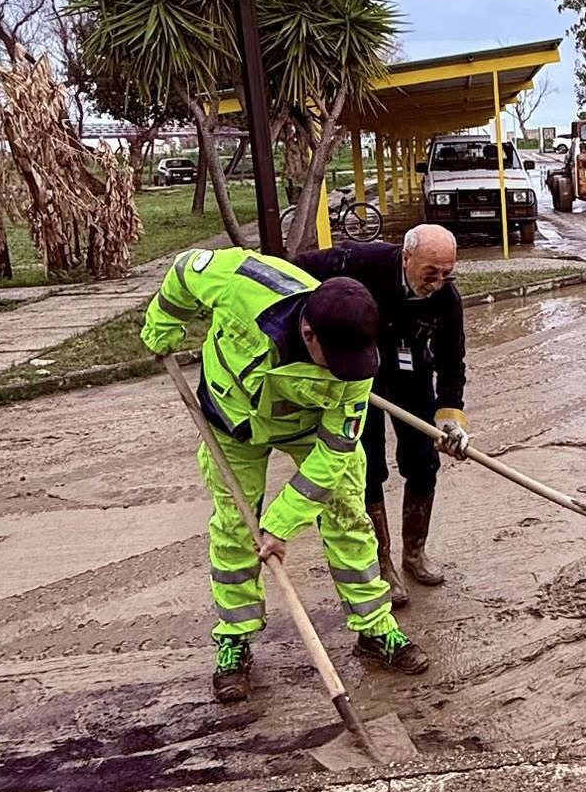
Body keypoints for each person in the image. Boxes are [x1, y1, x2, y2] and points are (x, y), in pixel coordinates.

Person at [141, 247, 430, 704]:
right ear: (309, 332)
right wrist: (162, 323)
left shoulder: (356, 364)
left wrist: (280, 525)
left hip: (305, 426)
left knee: (348, 515)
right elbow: (182, 272)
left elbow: (333, 455)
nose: (343, 372)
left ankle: (375, 628)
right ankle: (234, 639)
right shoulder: (242, 282)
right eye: (331, 360)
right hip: (232, 420)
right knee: (236, 527)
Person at [293, 225, 468, 608]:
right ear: (407, 258)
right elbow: (294, 272)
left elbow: (452, 363)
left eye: (446, 275)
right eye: (430, 273)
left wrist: (451, 417)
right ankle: (382, 563)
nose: (437, 284)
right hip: (357, 381)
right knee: (368, 470)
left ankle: (414, 554)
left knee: (423, 464)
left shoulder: (446, 300)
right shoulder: (360, 263)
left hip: (410, 376)